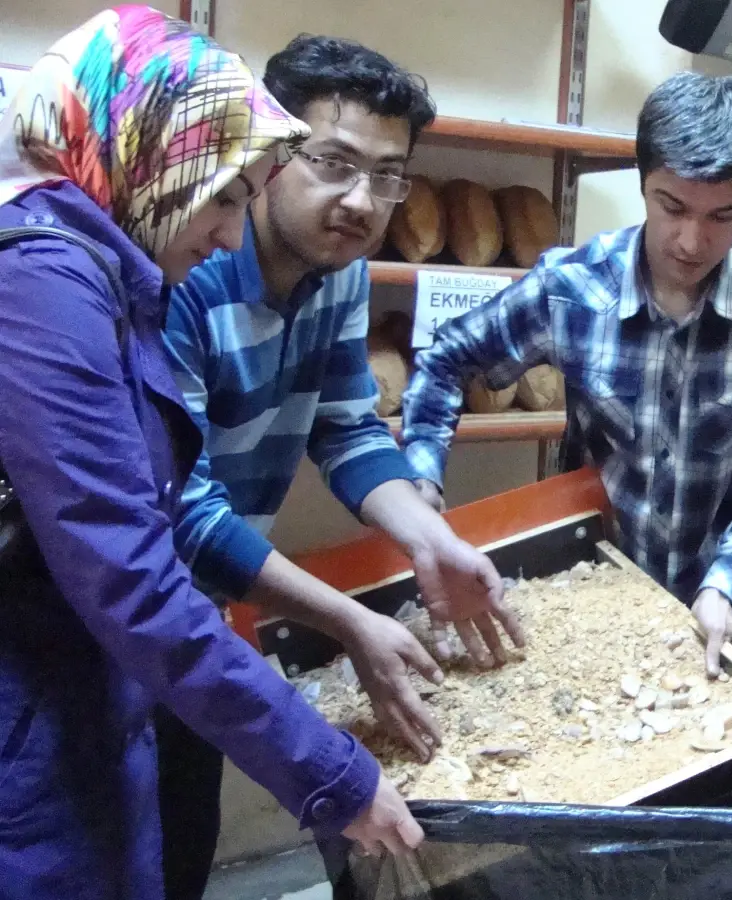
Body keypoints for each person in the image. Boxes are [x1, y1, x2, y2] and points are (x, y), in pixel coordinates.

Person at [0, 8, 422, 900]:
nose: (231, 229)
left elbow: (346, 427)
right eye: (224, 192)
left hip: (106, 682)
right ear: (151, 148)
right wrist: (333, 773)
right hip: (38, 717)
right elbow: (136, 569)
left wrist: (427, 536)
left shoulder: (105, 264)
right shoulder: (45, 283)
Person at [162, 33, 524, 899]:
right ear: (271, 153)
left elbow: (349, 432)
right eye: (333, 162)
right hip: (122, 610)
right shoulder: (189, 271)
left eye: (388, 175)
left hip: (201, 618)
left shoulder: (339, 274)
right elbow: (183, 507)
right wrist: (348, 623)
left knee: (180, 840)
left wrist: (429, 541)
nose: (362, 201)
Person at [402, 71, 732, 677]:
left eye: (723, 216)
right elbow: (445, 360)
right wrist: (420, 483)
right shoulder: (572, 288)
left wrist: (730, 581)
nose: (691, 240)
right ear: (643, 184)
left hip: (707, 607)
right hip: (584, 595)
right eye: (672, 206)